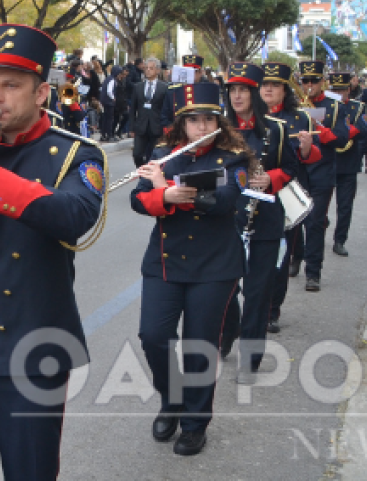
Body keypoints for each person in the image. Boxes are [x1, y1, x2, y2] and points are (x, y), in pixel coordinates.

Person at [0, 23, 103, 481]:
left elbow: (74, 216)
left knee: (30, 471)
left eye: (11, 85)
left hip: (34, 348)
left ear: (42, 92)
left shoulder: (75, 154)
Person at [130, 82, 252, 457]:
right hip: (165, 261)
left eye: (208, 119)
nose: (201, 127)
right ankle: (172, 400)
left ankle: (196, 423)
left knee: (200, 345)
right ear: (181, 124)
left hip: (215, 265)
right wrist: (159, 194)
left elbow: (225, 200)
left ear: (219, 121)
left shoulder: (234, 156)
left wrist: (166, 189)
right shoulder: (165, 152)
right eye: (193, 120)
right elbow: (138, 200)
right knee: (153, 335)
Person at [218, 63, 300, 381]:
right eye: (232, 90)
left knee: (257, 290)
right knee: (225, 286)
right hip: (226, 219)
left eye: (243, 90)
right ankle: (228, 332)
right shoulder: (216, 128)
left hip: (265, 218)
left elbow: (291, 168)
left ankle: (250, 360)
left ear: (253, 92)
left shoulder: (276, 129)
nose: (237, 96)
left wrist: (271, 178)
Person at [259, 62, 317, 333]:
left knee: (280, 256)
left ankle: (272, 310)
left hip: (285, 195)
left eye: (275, 85)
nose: (268, 89)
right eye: (264, 84)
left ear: (285, 89)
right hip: (249, 195)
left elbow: (306, 159)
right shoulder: (247, 116)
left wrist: (306, 150)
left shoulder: (300, 118)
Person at [297, 60, 353, 292]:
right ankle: (294, 258)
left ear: (323, 82)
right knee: (294, 221)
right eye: (305, 81)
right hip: (299, 170)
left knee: (315, 222)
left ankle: (313, 272)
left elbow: (342, 138)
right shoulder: (295, 105)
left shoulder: (335, 106)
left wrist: (318, 127)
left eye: (314, 81)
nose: (309, 85)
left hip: (322, 169)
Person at [328, 71, 367, 256]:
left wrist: (342, 133)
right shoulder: (325, 107)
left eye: (341, 90)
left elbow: (364, 128)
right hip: (326, 163)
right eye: (334, 89)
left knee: (345, 206)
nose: (338, 93)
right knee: (318, 207)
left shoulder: (358, 107)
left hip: (348, 163)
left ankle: (340, 240)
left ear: (348, 90)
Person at [129, 57, 167, 167]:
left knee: (155, 156)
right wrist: (132, 127)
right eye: (146, 68)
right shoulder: (138, 87)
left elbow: (165, 109)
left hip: (157, 127)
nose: (148, 70)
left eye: (151, 68)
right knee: (137, 154)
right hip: (141, 126)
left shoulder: (164, 88)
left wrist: (165, 127)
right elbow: (133, 110)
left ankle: (151, 179)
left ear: (158, 71)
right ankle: (142, 175)